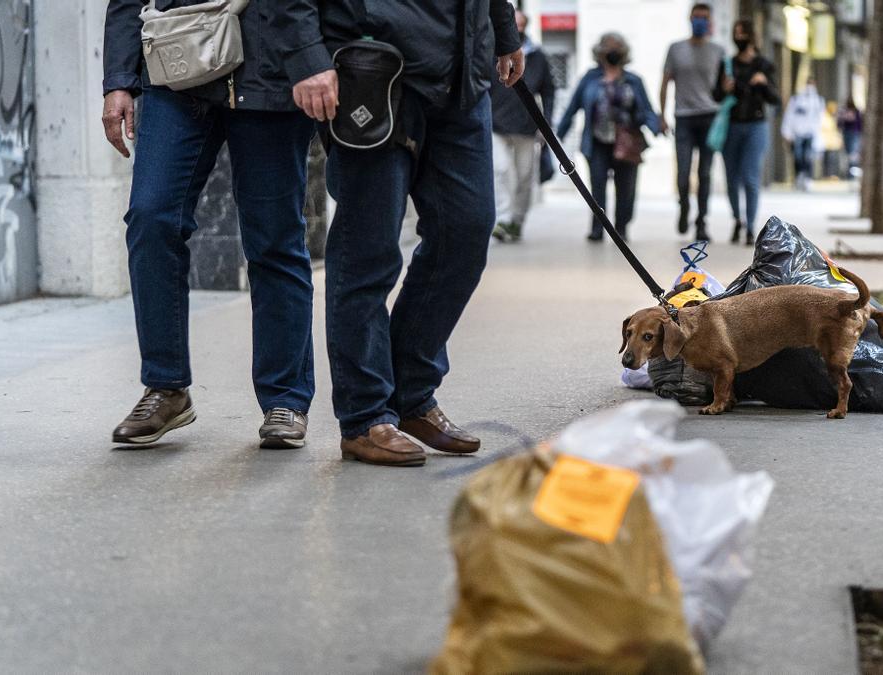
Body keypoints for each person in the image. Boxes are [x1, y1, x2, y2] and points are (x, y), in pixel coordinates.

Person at [274, 0, 523, 467]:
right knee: (368, 253)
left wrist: (504, 31)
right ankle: (366, 416)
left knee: (466, 232)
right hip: (376, 71)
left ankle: (410, 393)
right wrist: (307, 57)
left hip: (462, 78)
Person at [102, 0, 317, 449]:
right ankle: (166, 387)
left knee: (275, 239)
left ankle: (286, 398)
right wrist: (119, 80)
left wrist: (316, 60)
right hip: (177, 66)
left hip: (271, 73)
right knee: (151, 216)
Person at [556, 33, 661, 242]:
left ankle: (621, 228)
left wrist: (656, 127)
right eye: (608, 47)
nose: (613, 52)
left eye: (617, 48)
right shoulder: (590, 78)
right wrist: (557, 133)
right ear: (600, 52)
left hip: (627, 142)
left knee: (626, 190)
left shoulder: (634, 80)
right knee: (597, 189)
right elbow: (573, 106)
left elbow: (647, 109)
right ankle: (597, 228)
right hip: (596, 142)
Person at [661, 3, 726, 241]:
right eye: (696, 16)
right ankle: (684, 206)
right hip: (684, 117)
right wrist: (662, 115)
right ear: (689, 18)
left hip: (709, 116)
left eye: (704, 18)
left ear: (709, 22)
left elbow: (724, 86)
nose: (699, 21)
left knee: (705, 173)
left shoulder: (718, 51)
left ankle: (701, 221)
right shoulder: (675, 49)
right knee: (683, 172)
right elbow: (665, 81)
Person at [489, 11, 556, 243]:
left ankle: (517, 220)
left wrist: (546, 123)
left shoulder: (537, 56)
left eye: (520, 24)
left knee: (525, 175)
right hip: (495, 124)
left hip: (527, 125)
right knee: (501, 169)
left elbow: (549, 91)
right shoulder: (491, 52)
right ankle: (504, 218)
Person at [712, 19, 779, 246]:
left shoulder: (764, 65)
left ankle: (750, 227)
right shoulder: (727, 64)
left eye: (743, 33)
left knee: (750, 177)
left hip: (756, 126)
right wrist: (724, 89)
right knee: (732, 179)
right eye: (735, 33)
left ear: (751, 37)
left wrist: (763, 83)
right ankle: (737, 219)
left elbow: (775, 99)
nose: (738, 37)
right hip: (731, 126)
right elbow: (716, 95)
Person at [780, 77, 825, 190]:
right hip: (798, 133)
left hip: (811, 133)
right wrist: (787, 132)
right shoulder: (796, 99)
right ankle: (799, 176)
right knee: (798, 156)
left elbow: (820, 119)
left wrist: (819, 135)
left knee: (808, 157)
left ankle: (807, 178)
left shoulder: (818, 101)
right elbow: (789, 116)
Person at [838, 95, 863, 179]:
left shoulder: (856, 111)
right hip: (847, 133)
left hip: (854, 133)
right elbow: (840, 123)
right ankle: (849, 171)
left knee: (853, 153)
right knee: (848, 153)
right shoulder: (843, 111)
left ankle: (852, 172)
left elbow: (859, 124)